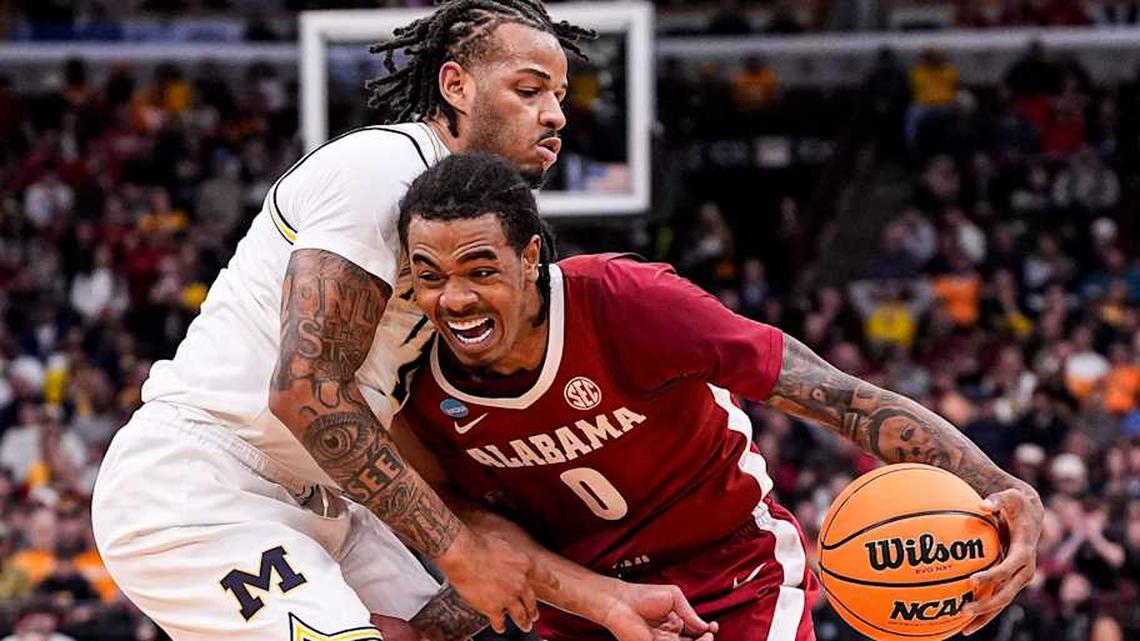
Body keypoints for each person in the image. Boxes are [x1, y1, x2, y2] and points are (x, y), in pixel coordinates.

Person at [91, 3, 712, 641]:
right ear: (456, 86)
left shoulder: (460, 248)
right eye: (528, 90)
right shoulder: (381, 170)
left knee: (445, 629)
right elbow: (305, 390)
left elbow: (444, 497)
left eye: (558, 96)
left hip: (324, 499)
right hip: (202, 484)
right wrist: (461, 555)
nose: (555, 113)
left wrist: (604, 600)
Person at [391, 153, 1045, 640]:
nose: (455, 298)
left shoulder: (627, 302)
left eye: (480, 270)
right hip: (586, 609)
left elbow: (838, 396)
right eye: (431, 276)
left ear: (531, 256)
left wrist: (999, 484)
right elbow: (479, 541)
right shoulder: (414, 386)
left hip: (733, 571)